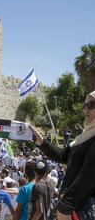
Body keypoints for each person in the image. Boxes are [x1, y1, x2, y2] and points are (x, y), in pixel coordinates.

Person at [30, 90, 95, 220]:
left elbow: (88, 175)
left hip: (83, 209)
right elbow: (63, 156)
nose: (85, 110)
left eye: (91, 105)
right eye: (85, 105)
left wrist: (65, 206)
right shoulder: (86, 135)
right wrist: (41, 141)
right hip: (75, 207)